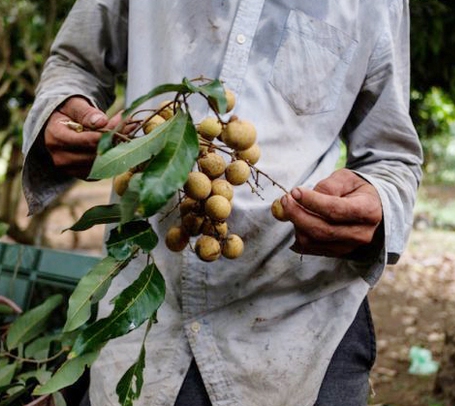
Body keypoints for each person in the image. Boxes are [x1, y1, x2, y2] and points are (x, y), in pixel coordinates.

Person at [22, 1, 423, 405]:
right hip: (147, 317)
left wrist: (378, 201)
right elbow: (73, 65)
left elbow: (392, 156)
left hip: (300, 328)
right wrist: (61, 107)